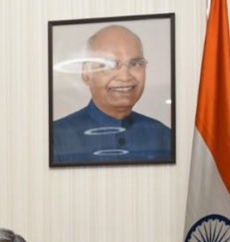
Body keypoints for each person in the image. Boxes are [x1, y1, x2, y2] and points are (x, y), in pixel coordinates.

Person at [52, 24, 172, 164]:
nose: (125, 77)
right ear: (86, 74)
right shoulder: (56, 138)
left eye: (135, 64)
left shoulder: (163, 136)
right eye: (109, 65)